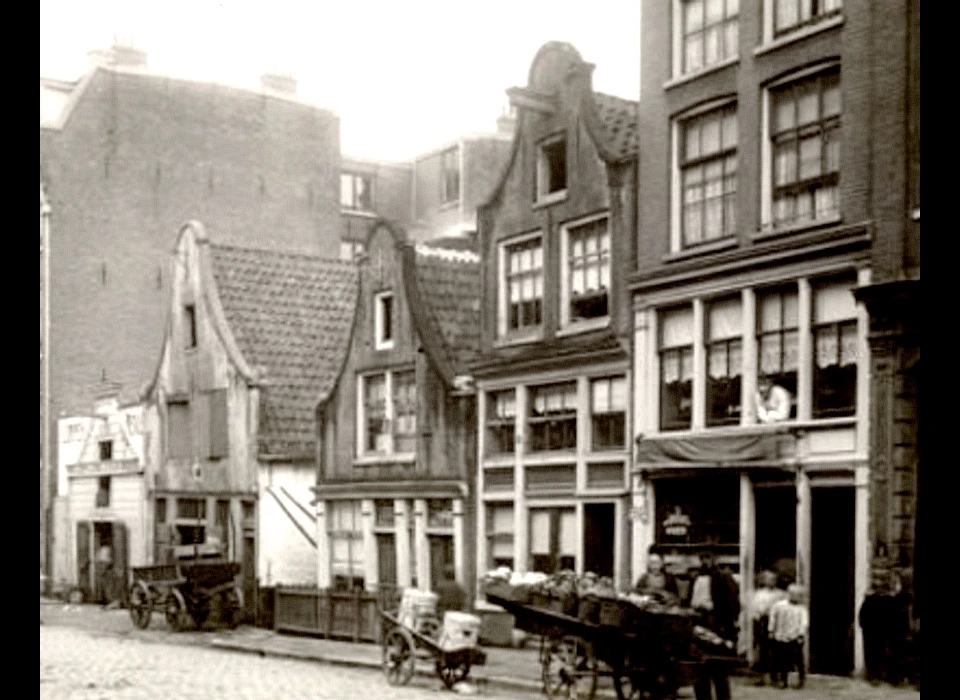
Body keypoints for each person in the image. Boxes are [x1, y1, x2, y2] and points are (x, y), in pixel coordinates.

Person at [691, 551, 740, 700]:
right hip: (699, 623)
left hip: (717, 624)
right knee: (699, 668)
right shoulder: (696, 577)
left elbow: (732, 603)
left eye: (708, 558)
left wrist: (726, 622)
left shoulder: (724, 578)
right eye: (703, 558)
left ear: (715, 560)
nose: (705, 562)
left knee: (718, 668)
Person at [768, 584, 809, 689]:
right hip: (781, 635)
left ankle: (801, 679)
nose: (797, 597)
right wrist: (771, 630)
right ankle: (782, 680)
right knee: (781, 659)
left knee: (798, 659)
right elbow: (773, 618)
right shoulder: (779, 606)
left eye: (799, 595)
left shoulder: (801, 608)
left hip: (794, 636)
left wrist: (801, 634)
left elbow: (804, 623)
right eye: (794, 594)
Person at [750, 570, 786, 685]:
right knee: (763, 650)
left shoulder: (781, 594)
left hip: (777, 622)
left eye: (773, 579)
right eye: (769, 579)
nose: (772, 581)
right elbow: (755, 609)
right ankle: (762, 677)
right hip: (763, 622)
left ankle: (775, 676)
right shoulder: (759, 594)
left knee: (777, 650)